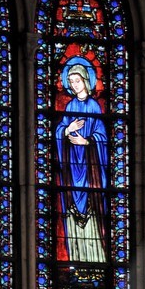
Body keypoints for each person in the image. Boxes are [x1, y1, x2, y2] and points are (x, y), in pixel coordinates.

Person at [56, 61, 108, 263]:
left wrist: (87, 142)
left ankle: (94, 264)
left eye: (77, 80)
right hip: (72, 169)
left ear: (86, 81)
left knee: (91, 215)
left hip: (90, 169)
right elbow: (60, 131)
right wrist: (67, 131)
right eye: (71, 81)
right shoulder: (70, 106)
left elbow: (102, 136)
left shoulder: (94, 106)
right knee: (72, 215)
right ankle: (76, 262)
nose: (75, 85)